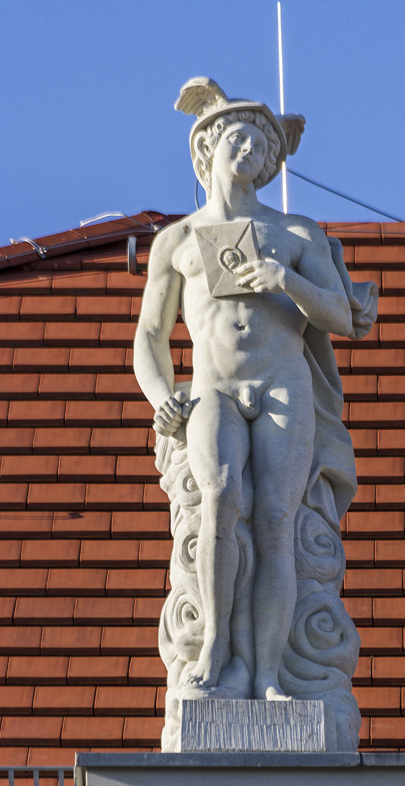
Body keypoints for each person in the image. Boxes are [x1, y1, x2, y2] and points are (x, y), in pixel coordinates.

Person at [133, 78, 356, 701]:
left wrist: (286, 279)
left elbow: (340, 315)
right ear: (208, 146)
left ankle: (268, 675)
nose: (249, 151)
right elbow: (149, 334)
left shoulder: (297, 232)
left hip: (282, 384)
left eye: (261, 146)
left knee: (279, 520)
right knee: (220, 498)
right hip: (215, 388)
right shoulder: (177, 241)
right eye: (239, 138)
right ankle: (214, 647)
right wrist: (161, 396)